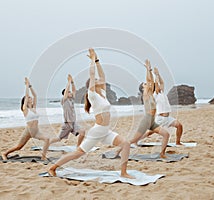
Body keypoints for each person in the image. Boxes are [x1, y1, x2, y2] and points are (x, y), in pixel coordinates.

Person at [48, 48, 134, 179]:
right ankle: (53, 167)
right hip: (97, 131)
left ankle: (124, 172)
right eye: (97, 80)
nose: (100, 80)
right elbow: (93, 75)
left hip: (106, 131)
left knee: (126, 144)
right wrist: (92, 61)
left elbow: (102, 75)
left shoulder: (103, 93)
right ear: (92, 85)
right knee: (78, 153)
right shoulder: (92, 94)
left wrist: (98, 60)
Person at [2, 77, 52, 160]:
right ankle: (5, 154)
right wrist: (26, 86)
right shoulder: (25, 109)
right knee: (19, 147)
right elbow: (27, 95)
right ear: (25, 100)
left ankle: (43, 157)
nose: (30, 98)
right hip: (28, 131)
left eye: (30, 98)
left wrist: (30, 86)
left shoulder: (34, 108)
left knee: (47, 139)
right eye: (29, 98)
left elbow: (35, 96)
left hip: (36, 131)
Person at [128, 60, 170, 158]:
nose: (147, 84)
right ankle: (118, 151)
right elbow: (149, 80)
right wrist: (148, 69)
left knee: (166, 134)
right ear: (143, 89)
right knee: (132, 141)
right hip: (146, 121)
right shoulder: (146, 95)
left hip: (152, 122)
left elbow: (151, 81)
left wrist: (150, 70)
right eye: (145, 84)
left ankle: (162, 154)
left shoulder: (150, 93)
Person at [48, 74, 85, 147]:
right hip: (67, 124)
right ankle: (47, 144)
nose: (70, 93)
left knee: (82, 132)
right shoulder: (64, 100)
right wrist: (68, 82)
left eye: (70, 92)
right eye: (69, 92)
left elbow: (74, 90)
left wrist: (72, 82)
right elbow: (66, 92)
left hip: (73, 123)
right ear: (65, 94)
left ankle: (78, 147)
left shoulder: (72, 99)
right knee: (59, 139)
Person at [150, 67, 183, 145]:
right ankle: (136, 140)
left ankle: (178, 142)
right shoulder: (155, 94)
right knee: (150, 132)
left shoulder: (161, 93)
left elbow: (162, 83)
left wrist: (158, 74)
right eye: (157, 87)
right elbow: (157, 84)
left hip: (167, 118)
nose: (160, 87)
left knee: (179, 125)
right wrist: (155, 75)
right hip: (160, 119)